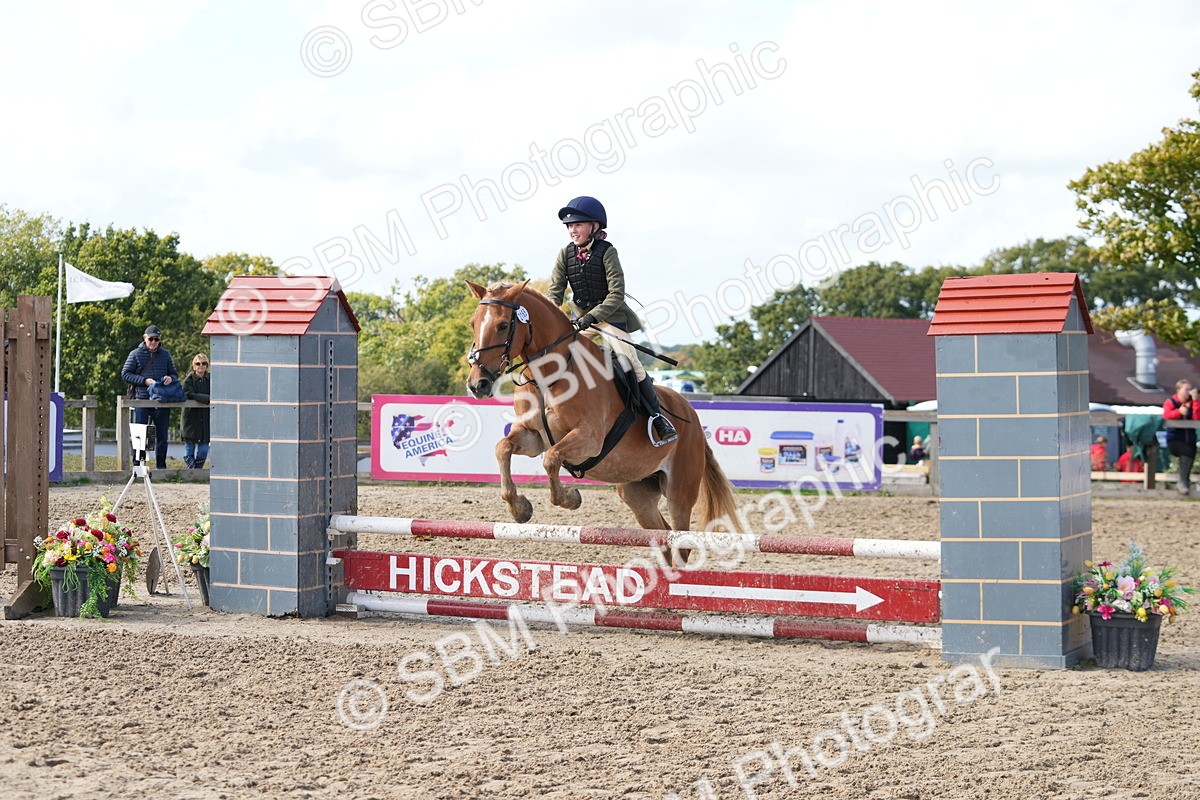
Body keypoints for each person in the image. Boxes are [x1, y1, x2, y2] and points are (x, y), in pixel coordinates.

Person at [547, 196, 677, 446]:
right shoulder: (565, 254)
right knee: (559, 356)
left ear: (595, 227)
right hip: (580, 320)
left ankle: (657, 418)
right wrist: (553, 315)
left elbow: (616, 294)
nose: (573, 230)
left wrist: (592, 317)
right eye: (570, 226)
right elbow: (555, 291)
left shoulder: (608, 252)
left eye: (578, 225)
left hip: (610, 319)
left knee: (630, 361)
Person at [121, 325, 180, 469]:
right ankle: (139, 466)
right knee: (142, 435)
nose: (154, 342)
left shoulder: (165, 355)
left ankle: (161, 467)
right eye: (151, 339)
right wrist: (144, 381)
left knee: (161, 436)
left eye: (157, 339)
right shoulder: (135, 354)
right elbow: (125, 374)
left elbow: (174, 374)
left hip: (161, 399)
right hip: (142, 399)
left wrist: (170, 378)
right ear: (145, 338)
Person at [1163, 379, 1200, 494]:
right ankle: (1183, 482)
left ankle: (1184, 482)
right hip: (1174, 439)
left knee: (1190, 452)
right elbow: (1166, 415)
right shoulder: (1170, 402)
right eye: (1186, 389)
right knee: (1187, 451)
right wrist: (1179, 411)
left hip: (1189, 439)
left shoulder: (1193, 402)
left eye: (1190, 389)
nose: (1188, 392)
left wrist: (1196, 402)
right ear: (1178, 390)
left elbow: (1196, 418)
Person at [182, 353, 211, 469]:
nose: (201, 366)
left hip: (205, 418)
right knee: (189, 450)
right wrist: (207, 399)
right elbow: (188, 394)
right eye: (198, 363)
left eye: (204, 363)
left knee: (203, 450)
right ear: (194, 366)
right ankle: (192, 472)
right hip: (191, 419)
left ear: (207, 365)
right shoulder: (188, 380)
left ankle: (197, 472)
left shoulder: (211, 379)